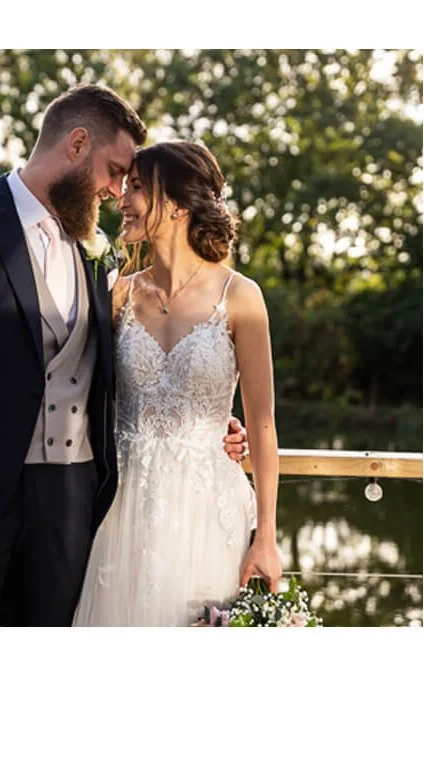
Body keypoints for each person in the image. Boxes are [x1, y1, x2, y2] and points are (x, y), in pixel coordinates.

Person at [0, 84, 248, 626]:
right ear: (77, 145)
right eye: (114, 171)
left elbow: (124, 371)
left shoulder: (97, 257)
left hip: (72, 506)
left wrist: (208, 421)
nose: (116, 191)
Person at [73, 141, 281, 626]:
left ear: (180, 204)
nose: (122, 198)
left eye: (138, 188)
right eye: (124, 186)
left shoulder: (241, 297)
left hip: (208, 510)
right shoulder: (117, 292)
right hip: (118, 510)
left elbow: (264, 423)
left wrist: (266, 535)